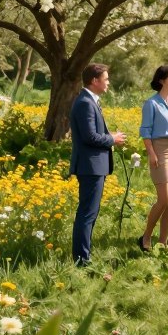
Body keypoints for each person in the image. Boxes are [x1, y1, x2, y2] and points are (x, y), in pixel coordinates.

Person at [69, 62, 126, 266]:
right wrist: (113, 139)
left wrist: (110, 137)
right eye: (106, 79)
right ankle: (82, 260)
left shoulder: (89, 100)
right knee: (87, 213)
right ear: (95, 81)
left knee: (89, 213)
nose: (108, 83)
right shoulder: (85, 102)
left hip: (93, 166)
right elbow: (90, 137)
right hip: (90, 166)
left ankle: (83, 256)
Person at [137, 65, 168, 252]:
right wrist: (151, 153)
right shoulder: (151, 104)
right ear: (162, 80)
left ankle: (163, 241)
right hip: (159, 150)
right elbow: (145, 131)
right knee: (164, 199)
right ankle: (146, 236)